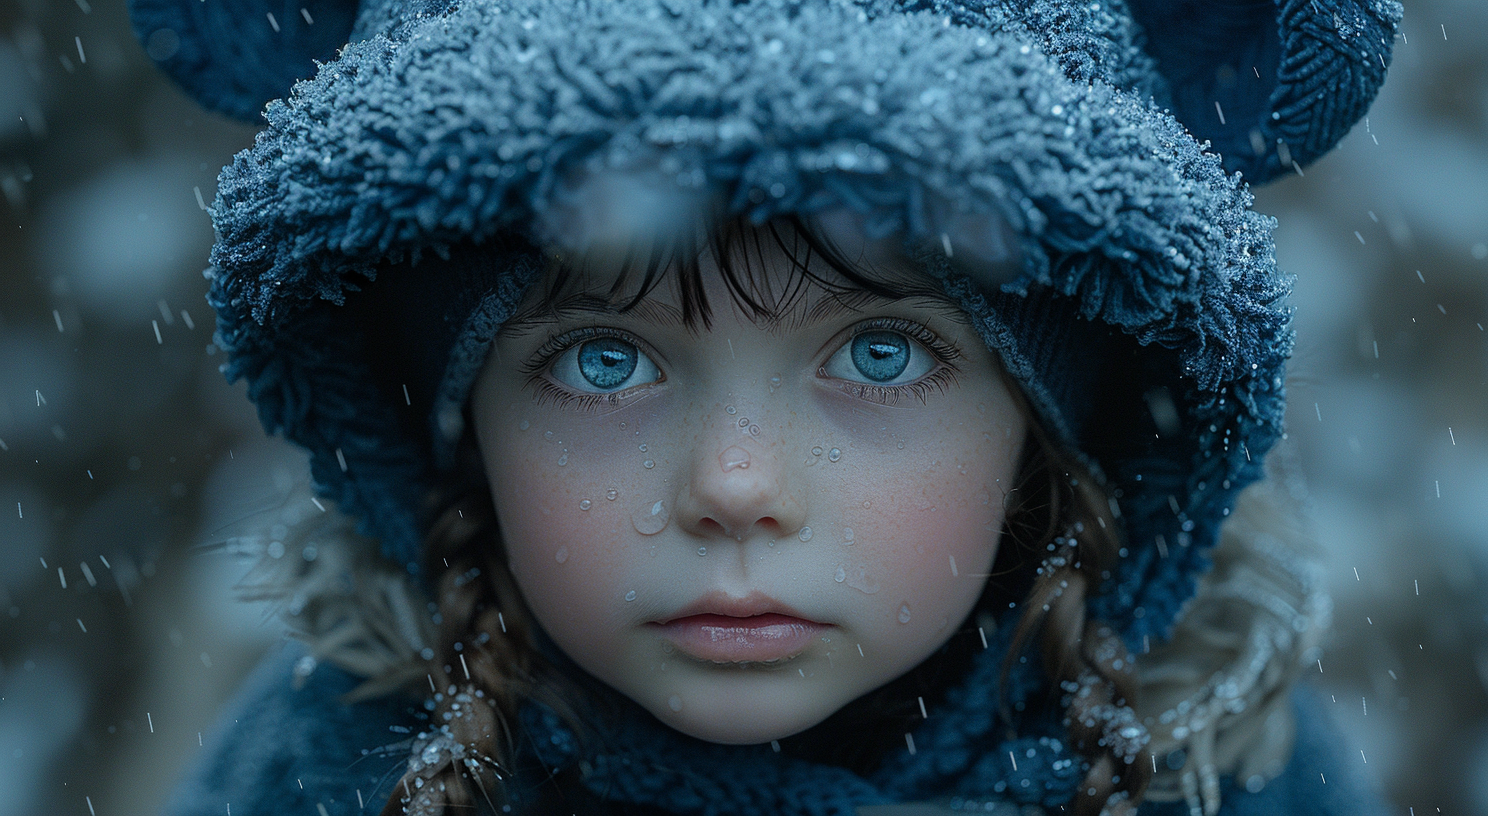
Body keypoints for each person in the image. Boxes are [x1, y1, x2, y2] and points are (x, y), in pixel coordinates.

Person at [127, 0, 1401, 813]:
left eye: (886, 356)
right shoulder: (321, 777)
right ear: (447, 428)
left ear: (1051, 426)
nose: (735, 488)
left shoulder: (1229, 779)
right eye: (605, 362)